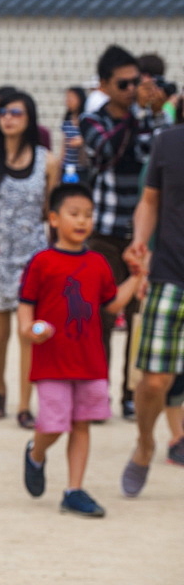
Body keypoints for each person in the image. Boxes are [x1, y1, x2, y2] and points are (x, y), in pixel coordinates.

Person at [19, 183, 143, 517]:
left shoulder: (98, 263)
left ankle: (74, 490)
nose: (82, 221)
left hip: (91, 363)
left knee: (83, 424)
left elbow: (111, 304)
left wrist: (136, 277)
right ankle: (36, 452)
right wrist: (28, 329)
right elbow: (26, 305)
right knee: (54, 424)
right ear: (55, 218)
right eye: (74, 214)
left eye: (88, 215)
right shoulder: (42, 262)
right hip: (51, 362)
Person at [80, 45, 167, 420]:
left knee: (138, 317)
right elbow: (111, 149)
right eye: (124, 83)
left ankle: (130, 393)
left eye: (138, 81)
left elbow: (161, 154)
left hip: (142, 233)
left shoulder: (147, 118)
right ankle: (98, 394)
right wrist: (138, 114)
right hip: (103, 231)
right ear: (104, 84)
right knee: (100, 316)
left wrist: (158, 112)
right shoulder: (92, 121)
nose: (133, 88)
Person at [0, 91, 60, 428]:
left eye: (16, 112)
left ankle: (24, 404)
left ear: (29, 118)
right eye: (4, 112)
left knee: (27, 333)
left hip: (33, 258)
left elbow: (51, 212)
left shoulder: (47, 160)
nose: (8, 118)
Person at [121, 122, 184, 495]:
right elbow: (149, 200)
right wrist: (140, 242)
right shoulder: (169, 140)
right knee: (154, 381)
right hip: (171, 274)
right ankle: (145, 443)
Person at [60, 86, 86, 184]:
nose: (68, 101)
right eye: (67, 98)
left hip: (81, 166)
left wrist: (82, 141)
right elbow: (64, 145)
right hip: (67, 166)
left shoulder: (85, 120)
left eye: (71, 98)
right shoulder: (67, 121)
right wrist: (60, 164)